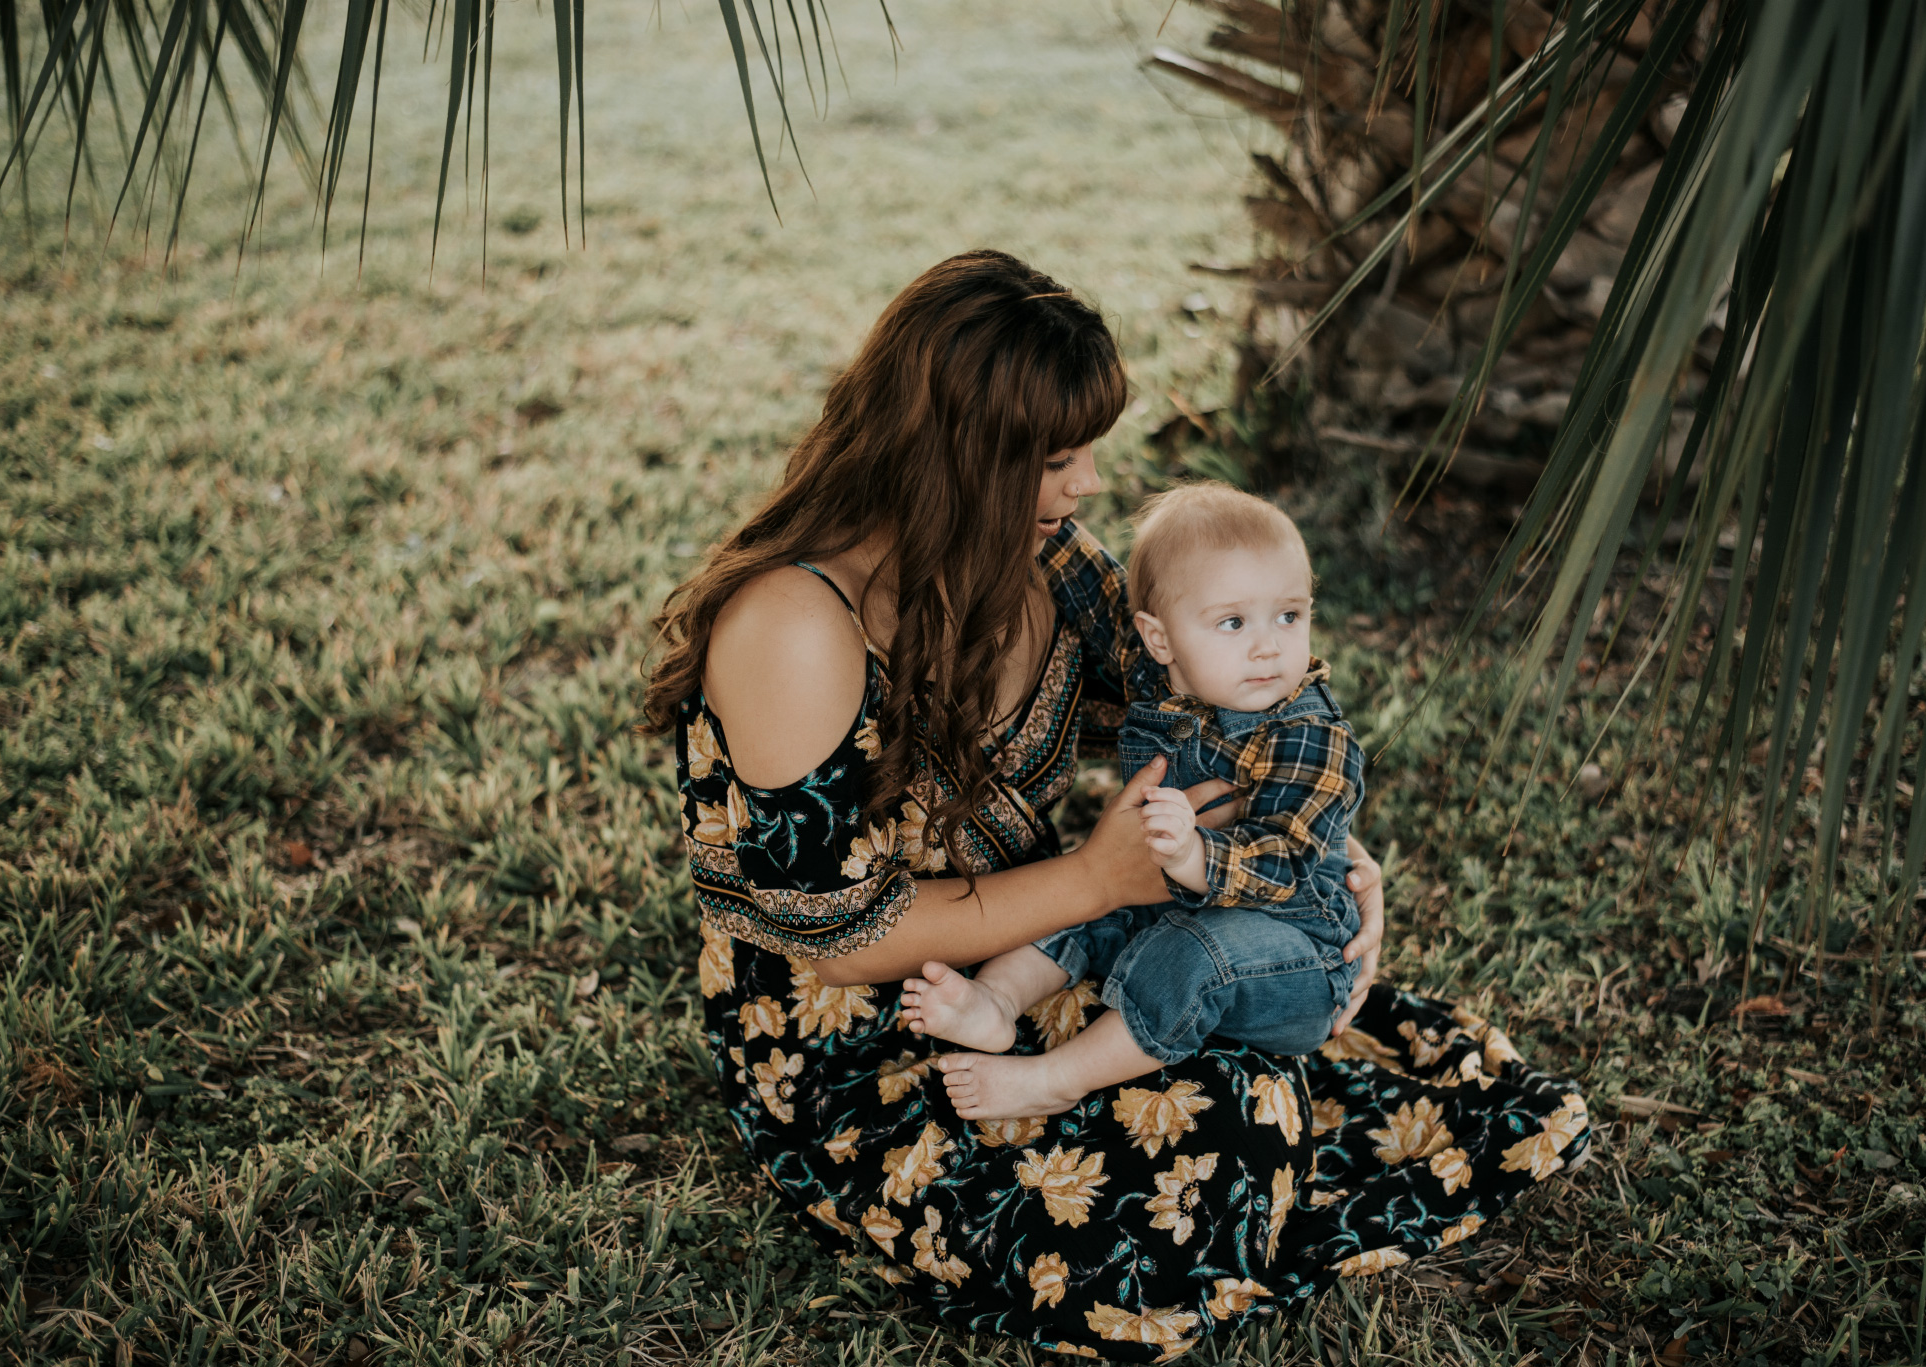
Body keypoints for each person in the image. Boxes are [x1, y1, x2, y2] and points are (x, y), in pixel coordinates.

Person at [643, 249, 1589, 1362]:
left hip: (1058, 944)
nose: (1085, 485)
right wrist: (1095, 880)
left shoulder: (1054, 567)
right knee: (1168, 1186)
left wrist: (1324, 852)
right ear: (954, 461)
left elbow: (1216, 740)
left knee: (1240, 1084)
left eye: (1083, 453)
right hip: (860, 1032)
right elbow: (835, 935)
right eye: (1054, 460)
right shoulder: (795, 626)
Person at [899, 484, 1368, 1121]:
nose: (1268, 646)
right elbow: (1088, 583)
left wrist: (1197, 855)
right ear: (1159, 639)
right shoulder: (1158, 671)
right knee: (1068, 902)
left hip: (1294, 957)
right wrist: (1000, 493)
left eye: (1289, 616)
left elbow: (1284, 861)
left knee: (1194, 954)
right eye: (1233, 622)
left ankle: (1056, 1079)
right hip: (1164, 900)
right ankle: (995, 1003)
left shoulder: (1311, 734)